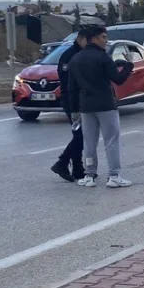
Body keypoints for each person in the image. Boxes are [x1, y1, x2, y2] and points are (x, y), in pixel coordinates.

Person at [66, 25, 135, 189]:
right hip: (105, 105)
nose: (106, 40)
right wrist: (128, 65)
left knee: (89, 142)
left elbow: (71, 88)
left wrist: (74, 110)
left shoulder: (75, 59)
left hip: (85, 107)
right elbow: (118, 79)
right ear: (95, 38)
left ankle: (89, 175)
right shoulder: (103, 57)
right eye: (103, 37)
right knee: (111, 140)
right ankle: (114, 175)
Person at [51, 29, 87, 182]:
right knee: (80, 135)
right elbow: (68, 83)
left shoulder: (79, 53)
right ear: (81, 39)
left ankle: (78, 168)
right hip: (71, 100)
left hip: (79, 100)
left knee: (81, 135)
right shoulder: (70, 55)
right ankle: (62, 162)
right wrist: (74, 108)